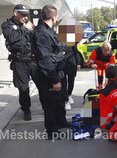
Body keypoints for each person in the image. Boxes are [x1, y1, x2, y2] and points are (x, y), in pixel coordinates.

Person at [31, 5, 69, 139]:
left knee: (60, 100)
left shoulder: (49, 30)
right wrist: (55, 80)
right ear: (53, 17)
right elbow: (45, 60)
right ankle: (52, 132)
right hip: (48, 75)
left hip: (57, 71)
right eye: (57, 16)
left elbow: (57, 49)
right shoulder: (41, 33)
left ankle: (61, 122)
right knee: (50, 104)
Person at [1, 4, 38, 121]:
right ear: (16, 13)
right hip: (20, 61)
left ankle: (47, 105)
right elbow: (12, 38)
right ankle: (26, 109)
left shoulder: (27, 24)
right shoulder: (7, 25)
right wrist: (25, 29)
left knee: (42, 84)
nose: (25, 17)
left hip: (32, 60)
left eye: (26, 15)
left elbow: (35, 37)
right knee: (23, 88)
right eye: (23, 15)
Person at [63, 46, 81, 110]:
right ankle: (66, 100)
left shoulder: (71, 39)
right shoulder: (57, 39)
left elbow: (76, 52)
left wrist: (78, 63)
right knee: (63, 83)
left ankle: (69, 95)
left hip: (71, 63)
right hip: (61, 63)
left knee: (71, 81)